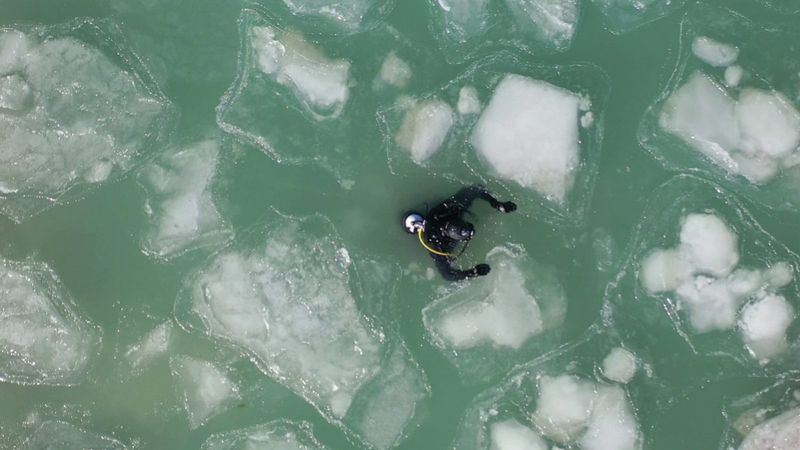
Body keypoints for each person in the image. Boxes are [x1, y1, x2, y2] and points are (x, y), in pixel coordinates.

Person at [403, 185, 516, 281]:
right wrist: (473, 272)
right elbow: (447, 274)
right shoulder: (435, 245)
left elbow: (475, 189)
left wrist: (497, 204)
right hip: (442, 238)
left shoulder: (449, 210)